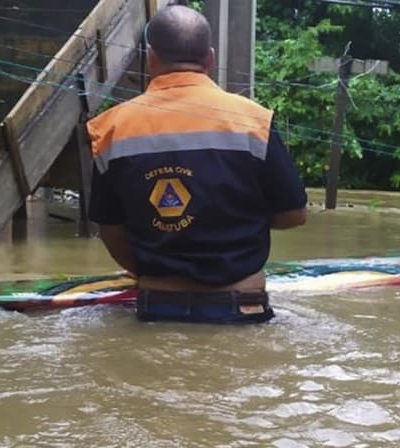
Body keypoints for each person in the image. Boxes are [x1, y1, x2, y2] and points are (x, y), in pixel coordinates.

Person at [87, 4, 307, 324]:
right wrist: (236, 218)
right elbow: (295, 214)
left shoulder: (110, 129)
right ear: (211, 58)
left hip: (157, 307)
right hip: (243, 306)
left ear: (151, 57)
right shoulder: (254, 121)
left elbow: (110, 229)